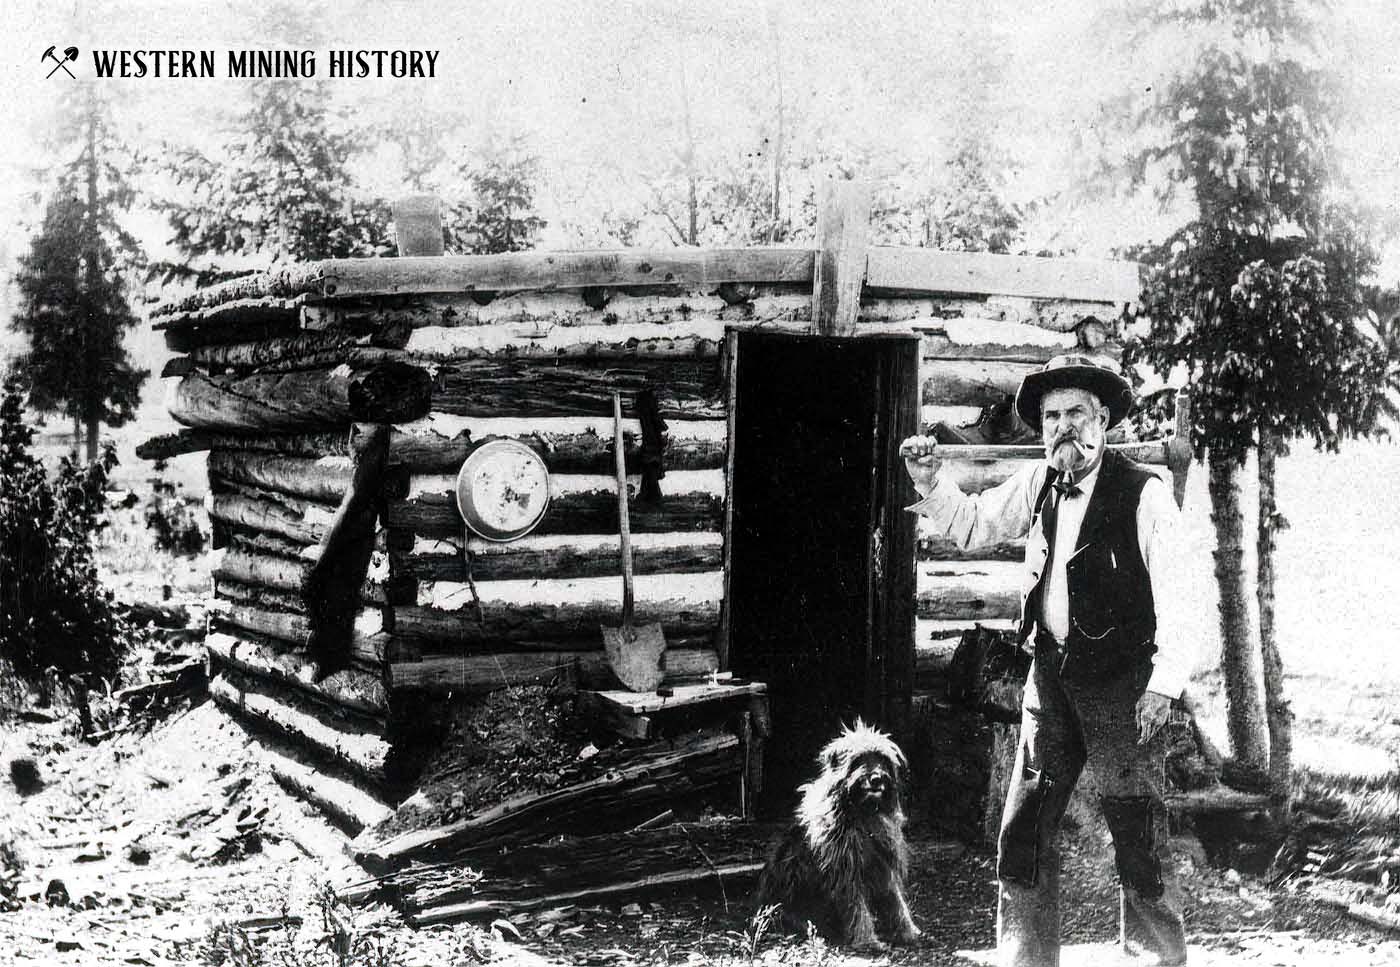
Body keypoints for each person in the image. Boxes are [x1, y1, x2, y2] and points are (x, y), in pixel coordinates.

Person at [901, 354, 1193, 967]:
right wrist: (930, 482)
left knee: (1135, 830)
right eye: (1051, 417)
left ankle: (1157, 958)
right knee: (1026, 826)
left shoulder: (1144, 494)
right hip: (1052, 677)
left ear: (1103, 419)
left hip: (1125, 688)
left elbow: (1179, 597)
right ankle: (1026, 958)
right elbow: (973, 524)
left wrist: (1163, 687)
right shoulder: (1038, 484)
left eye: (1076, 414)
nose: (1062, 427)